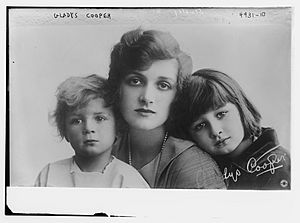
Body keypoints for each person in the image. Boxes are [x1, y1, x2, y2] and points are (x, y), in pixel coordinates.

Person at [108, 28, 226, 189]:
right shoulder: (106, 149)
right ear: (118, 87)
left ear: (176, 95)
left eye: (163, 85)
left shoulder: (193, 164)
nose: (147, 97)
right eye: (135, 81)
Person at [174, 68, 290, 190]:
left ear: (241, 107)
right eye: (200, 126)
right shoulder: (202, 168)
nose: (215, 131)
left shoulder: (276, 165)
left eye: (221, 114)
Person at [35, 74, 149, 188]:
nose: (89, 128)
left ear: (117, 127)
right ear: (64, 130)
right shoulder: (50, 175)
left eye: (100, 118)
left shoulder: (128, 179)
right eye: (77, 121)